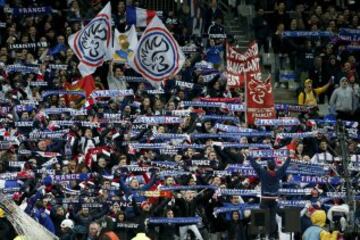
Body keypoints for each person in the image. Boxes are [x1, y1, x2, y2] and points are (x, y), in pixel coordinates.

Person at [247, 151, 292, 239]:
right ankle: (271, 236)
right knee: (272, 218)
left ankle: (262, 235)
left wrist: (249, 157)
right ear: (275, 166)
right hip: (274, 199)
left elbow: (255, 165)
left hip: (265, 199)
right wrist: (289, 157)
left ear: (267, 166)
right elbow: (285, 166)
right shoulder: (278, 173)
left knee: (261, 216)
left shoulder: (263, 172)